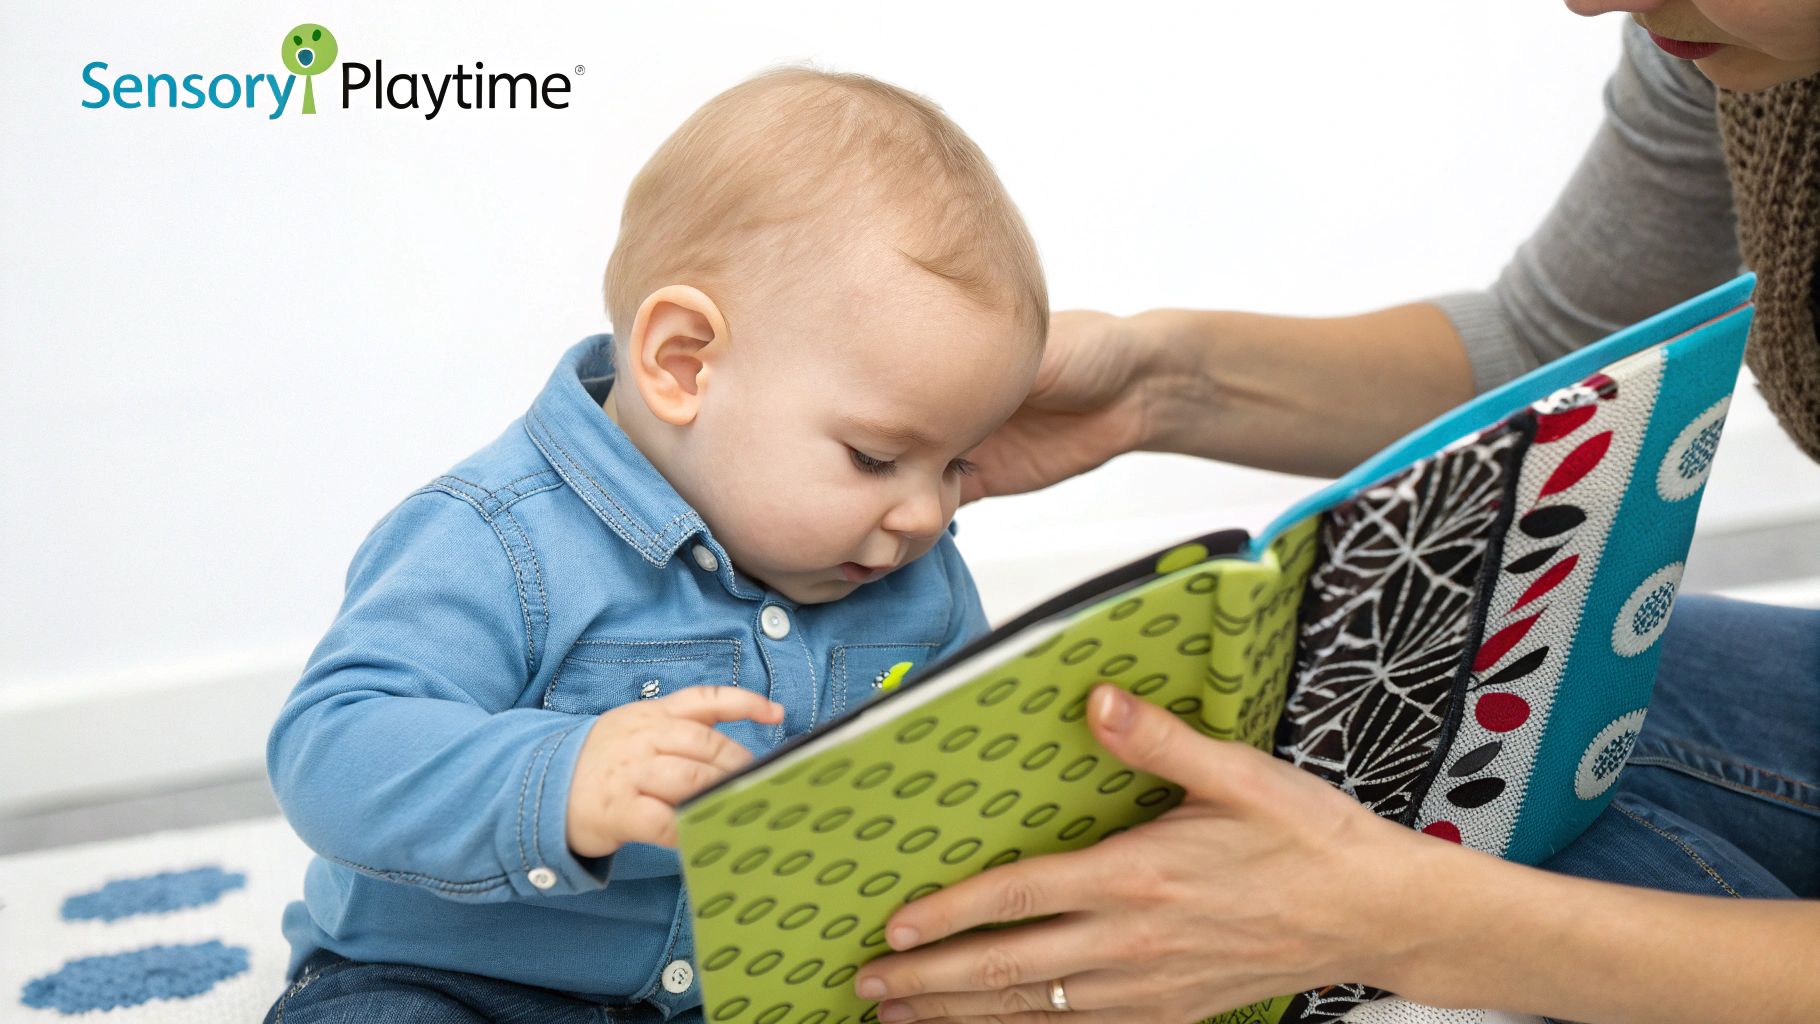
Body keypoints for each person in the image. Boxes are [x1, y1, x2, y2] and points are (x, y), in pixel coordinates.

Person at [851, 1, 1820, 1021]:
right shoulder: (1733, 52)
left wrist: (1402, 922)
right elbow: (1554, 337)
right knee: (1456, 698)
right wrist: (1157, 383)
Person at [261, 67, 1047, 1023]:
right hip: (456, 984)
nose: (926, 515)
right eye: (876, 456)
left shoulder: (913, 571)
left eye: (957, 463)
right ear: (683, 364)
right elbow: (330, 748)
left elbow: (973, 773)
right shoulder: (496, 536)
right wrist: (557, 778)